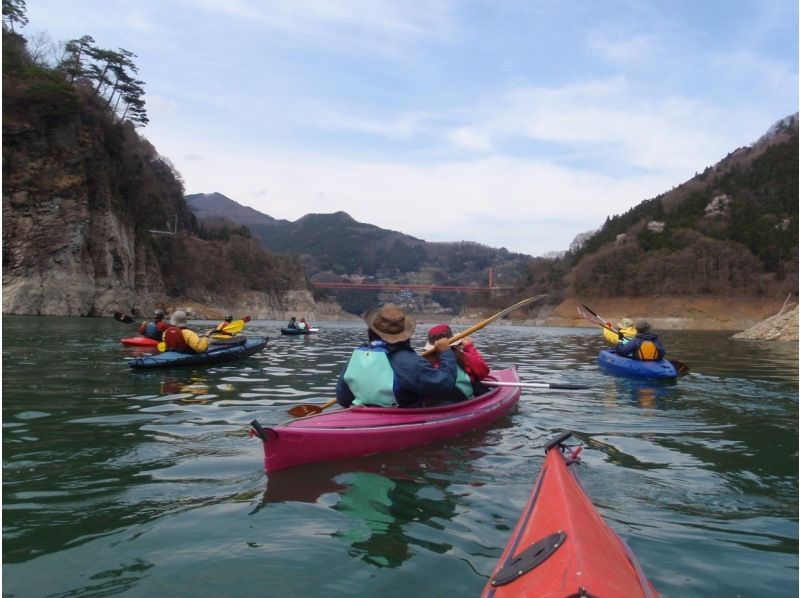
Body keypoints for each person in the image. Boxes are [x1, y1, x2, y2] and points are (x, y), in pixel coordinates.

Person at [336, 304, 457, 408]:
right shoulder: (410, 363)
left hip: (364, 413)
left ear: (372, 331)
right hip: (401, 416)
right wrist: (446, 353)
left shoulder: (356, 357)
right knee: (448, 402)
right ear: (404, 335)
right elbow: (446, 384)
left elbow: (343, 399)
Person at [423, 324, 490, 401]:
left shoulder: (423, 363)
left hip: (436, 404)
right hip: (464, 402)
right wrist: (469, 347)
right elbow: (483, 371)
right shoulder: (463, 357)